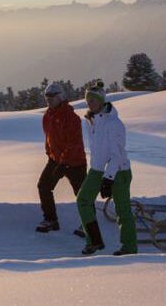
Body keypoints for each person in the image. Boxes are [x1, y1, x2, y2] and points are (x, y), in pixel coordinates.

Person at [76, 81, 136, 256]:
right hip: (97, 170)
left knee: (122, 210)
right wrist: (98, 172)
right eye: (88, 100)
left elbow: (117, 155)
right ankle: (94, 241)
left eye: (93, 100)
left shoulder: (114, 123)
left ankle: (129, 248)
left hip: (119, 171)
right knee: (83, 200)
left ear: (102, 101)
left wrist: (109, 179)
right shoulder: (91, 121)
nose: (90, 104)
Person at [35, 82, 87, 237]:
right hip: (56, 160)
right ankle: (51, 220)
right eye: (46, 97)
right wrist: (50, 154)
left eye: (52, 96)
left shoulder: (72, 118)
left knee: (83, 194)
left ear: (61, 97)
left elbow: (73, 143)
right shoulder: (47, 116)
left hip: (75, 161)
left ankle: (88, 224)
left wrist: (63, 162)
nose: (48, 100)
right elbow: (49, 137)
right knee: (44, 186)